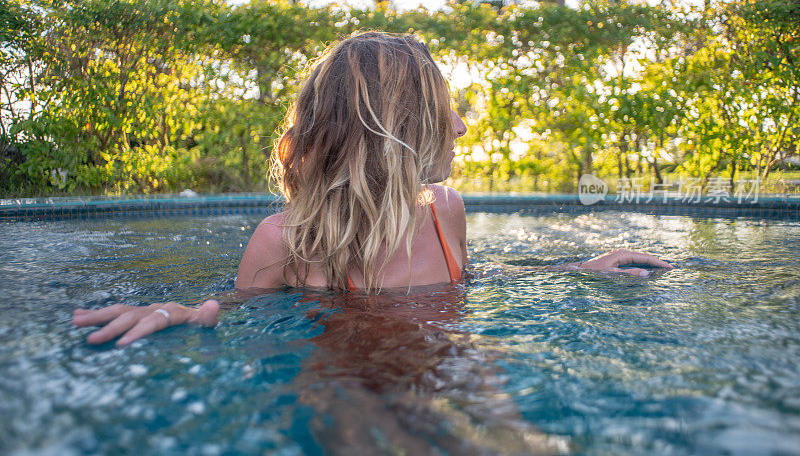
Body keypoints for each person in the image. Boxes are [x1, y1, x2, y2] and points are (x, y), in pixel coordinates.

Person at [72, 31, 673, 348]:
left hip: (442, 363)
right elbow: (243, 313)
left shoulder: (447, 212)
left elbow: (474, 282)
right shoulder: (286, 240)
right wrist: (182, 312)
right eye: (445, 112)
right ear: (392, 132)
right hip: (342, 378)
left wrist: (577, 268)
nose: (462, 126)